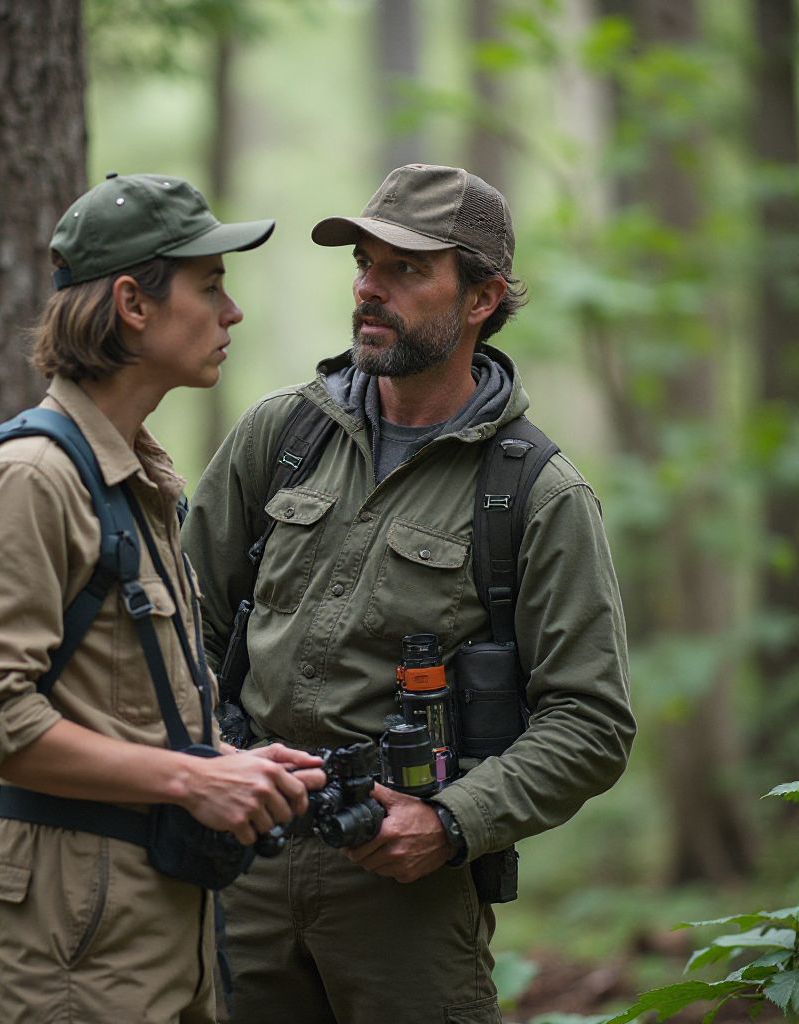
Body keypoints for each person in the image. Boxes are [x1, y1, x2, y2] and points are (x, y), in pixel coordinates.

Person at [181, 163, 636, 1024]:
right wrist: (215, 762)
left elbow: (593, 721)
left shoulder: (536, 494)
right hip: (239, 859)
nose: (368, 289)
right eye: (364, 262)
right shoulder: (281, 434)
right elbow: (183, 626)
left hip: (404, 893)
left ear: (480, 298)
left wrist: (453, 821)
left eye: (406, 269)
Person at [0, 172, 325, 1024]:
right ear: (132, 304)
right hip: (74, 928)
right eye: (210, 287)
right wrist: (189, 780)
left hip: (155, 915)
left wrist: (227, 766)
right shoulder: (34, 478)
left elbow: (117, 707)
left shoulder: (137, 478)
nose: (232, 314)